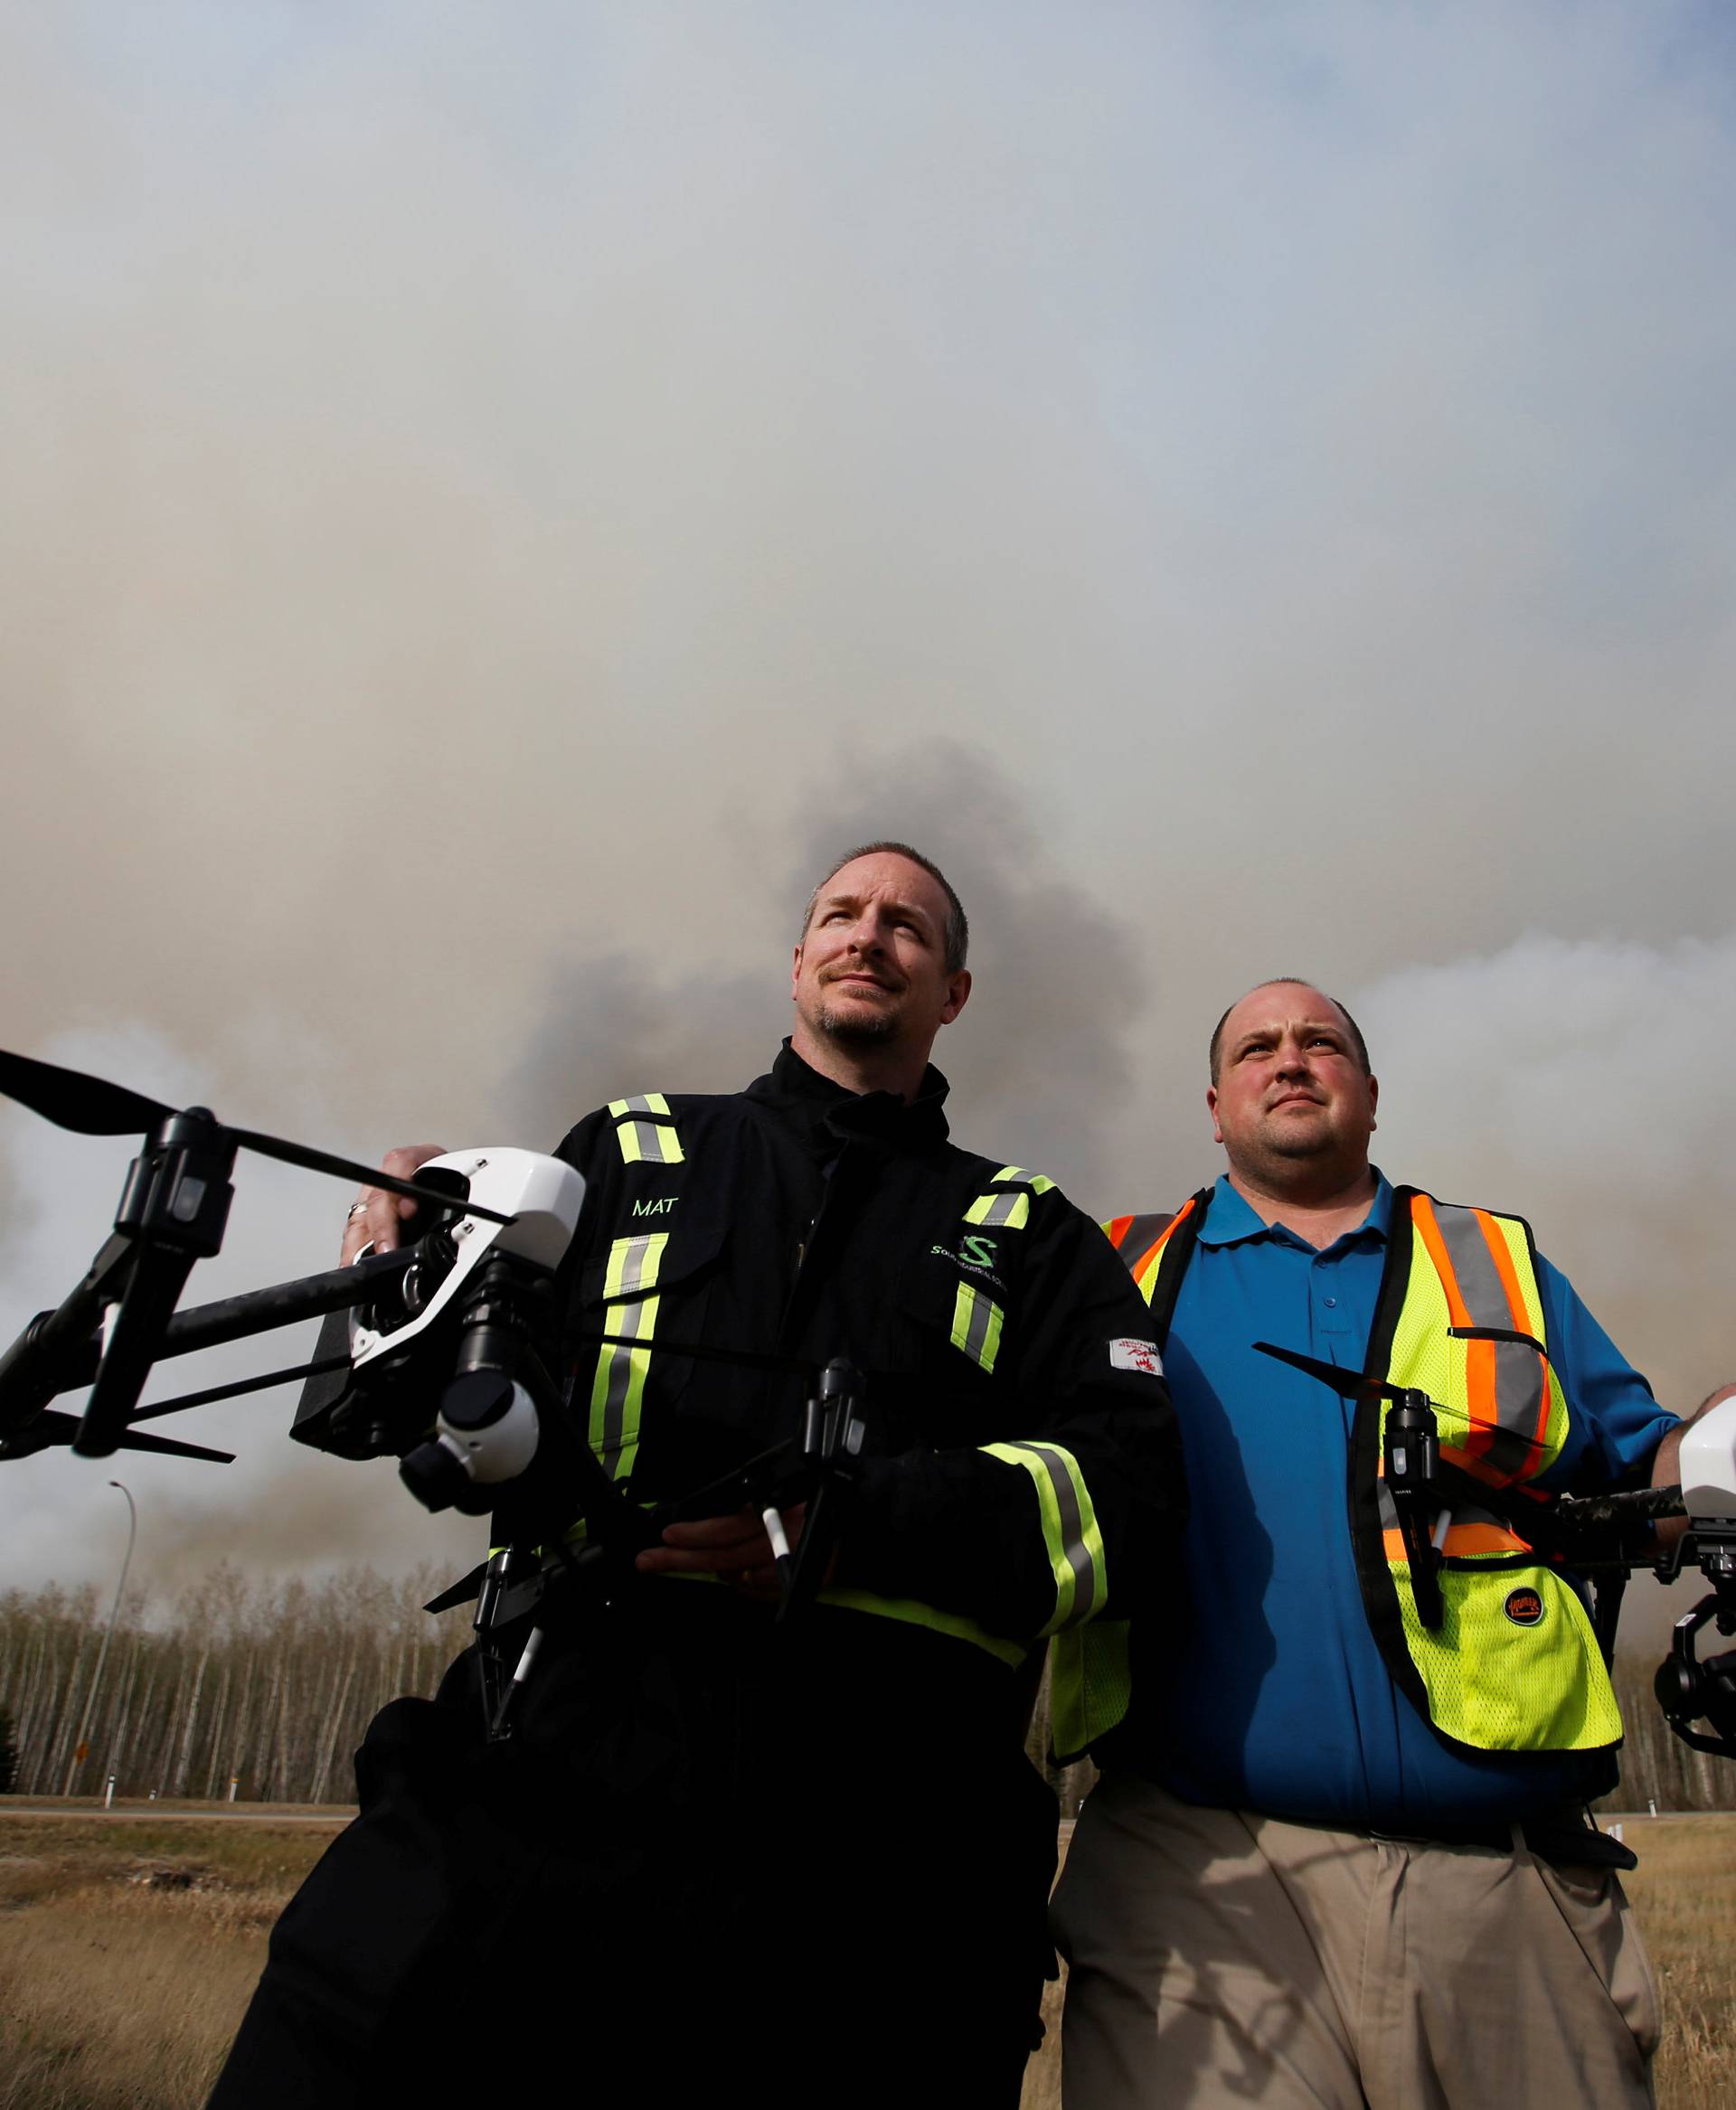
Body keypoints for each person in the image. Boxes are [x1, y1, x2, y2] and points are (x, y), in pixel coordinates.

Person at [210, 842, 1182, 2110]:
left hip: (885, 1849)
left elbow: (1133, 1497)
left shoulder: (1030, 1228)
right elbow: (405, 1407)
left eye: (908, 926)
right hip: (558, 1757)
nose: (868, 935)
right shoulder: (627, 1150)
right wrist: (400, 1267)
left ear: (953, 992)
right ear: (797, 963)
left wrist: (858, 1527)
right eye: (841, 913)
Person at [1052, 977, 1702, 2110]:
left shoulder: (1495, 1263)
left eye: (1321, 1043)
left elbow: (1645, 1462)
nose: (1291, 1059)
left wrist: (1722, 1448)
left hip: (1498, 1877)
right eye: (1259, 1047)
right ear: (1215, 1105)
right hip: (1198, 1875)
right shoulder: (1114, 1270)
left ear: (1370, 1091)